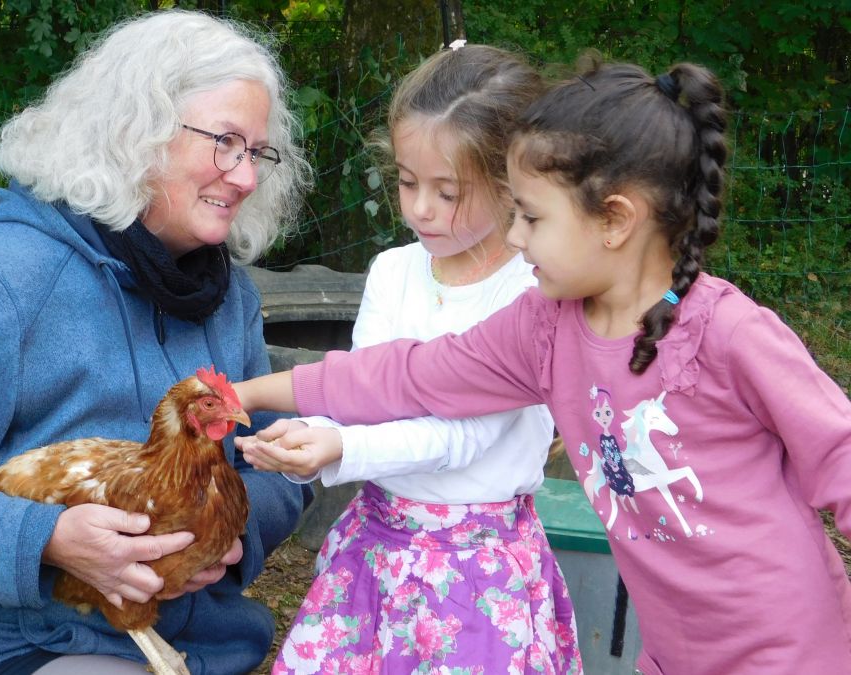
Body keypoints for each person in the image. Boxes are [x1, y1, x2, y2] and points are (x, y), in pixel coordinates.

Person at [234, 56, 851, 674]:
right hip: (673, 652)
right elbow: (404, 374)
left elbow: (842, 458)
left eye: (532, 216)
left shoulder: (733, 334)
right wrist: (254, 392)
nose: (518, 238)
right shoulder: (544, 328)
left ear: (614, 220)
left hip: (792, 648)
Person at [0, 10, 312, 674]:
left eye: (255, 152)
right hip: (2, 646)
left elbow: (278, 459)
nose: (246, 177)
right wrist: (45, 540)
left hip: (198, 646)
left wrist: (229, 533)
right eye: (224, 142)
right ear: (139, 131)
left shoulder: (229, 297)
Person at [236, 45, 580, 674]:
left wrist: (339, 450)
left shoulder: (533, 292)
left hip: (475, 576)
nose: (421, 208)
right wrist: (312, 432)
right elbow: (363, 389)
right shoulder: (394, 271)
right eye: (406, 181)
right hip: (376, 549)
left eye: (447, 192)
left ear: (512, 183)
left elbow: (463, 438)